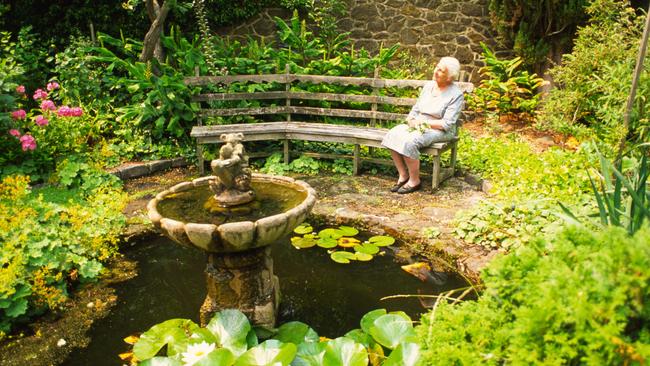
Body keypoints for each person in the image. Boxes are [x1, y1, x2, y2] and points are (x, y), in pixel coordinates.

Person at [381, 56, 465, 194]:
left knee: (410, 141)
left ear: (450, 77)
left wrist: (424, 123)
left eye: (441, 70)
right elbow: (416, 108)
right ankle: (403, 175)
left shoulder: (456, 94)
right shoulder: (428, 86)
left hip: (441, 130)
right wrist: (411, 119)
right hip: (419, 124)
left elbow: (447, 123)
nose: (436, 71)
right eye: (437, 67)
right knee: (392, 134)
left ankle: (415, 181)